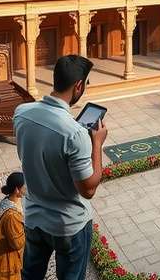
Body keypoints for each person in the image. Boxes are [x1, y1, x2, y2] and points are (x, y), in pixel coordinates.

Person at [13, 55, 107, 280]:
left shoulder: (21, 113)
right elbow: (88, 190)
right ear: (78, 86)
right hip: (68, 225)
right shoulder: (75, 133)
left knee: (31, 276)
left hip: (35, 217)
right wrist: (96, 143)